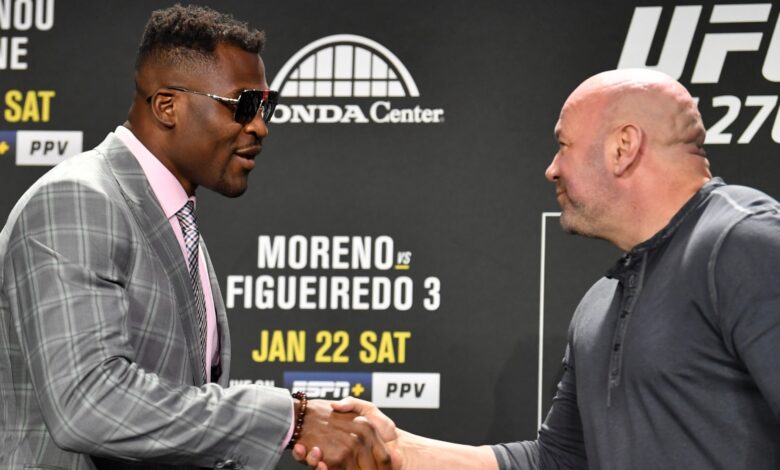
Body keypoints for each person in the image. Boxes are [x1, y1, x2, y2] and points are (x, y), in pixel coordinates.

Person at [298, 68, 780, 469]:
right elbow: (555, 461)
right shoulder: (602, 300)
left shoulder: (742, 242)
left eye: (564, 145)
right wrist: (396, 447)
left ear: (623, 146)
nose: (551, 169)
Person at [0, 5, 391, 470]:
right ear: (167, 106)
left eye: (267, 106)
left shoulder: (173, 219)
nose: (260, 126)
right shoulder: (79, 199)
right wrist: (290, 418)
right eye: (243, 105)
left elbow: (184, 409)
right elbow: (88, 404)